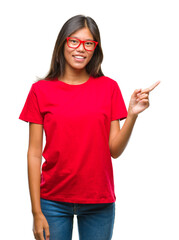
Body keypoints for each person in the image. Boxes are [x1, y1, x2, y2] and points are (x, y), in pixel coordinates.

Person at [19, 14, 160, 240]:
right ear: (62, 43)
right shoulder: (40, 91)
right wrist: (36, 212)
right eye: (74, 41)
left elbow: (114, 150)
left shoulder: (109, 88)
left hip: (99, 202)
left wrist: (132, 115)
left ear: (95, 48)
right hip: (53, 201)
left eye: (88, 43)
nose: (80, 48)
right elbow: (34, 154)